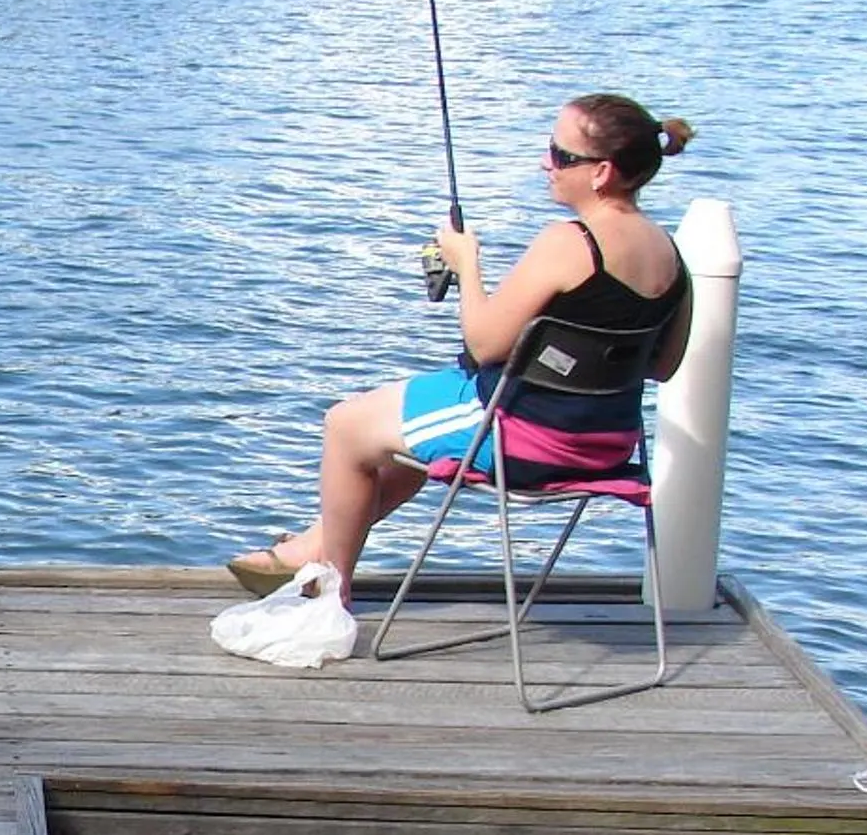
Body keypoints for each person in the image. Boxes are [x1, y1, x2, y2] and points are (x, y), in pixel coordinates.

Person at [229, 93, 696, 601]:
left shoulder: (570, 241)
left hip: (526, 440)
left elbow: (484, 342)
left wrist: (466, 260)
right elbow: (665, 365)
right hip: (605, 446)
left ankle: (328, 594)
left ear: (602, 172)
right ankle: (312, 548)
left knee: (345, 425)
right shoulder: (669, 251)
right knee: (396, 428)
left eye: (561, 156)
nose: (547, 162)